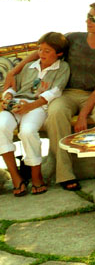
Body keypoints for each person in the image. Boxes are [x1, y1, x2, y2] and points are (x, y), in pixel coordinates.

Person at [4, 2, 95, 191]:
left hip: (94, 95)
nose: (88, 20)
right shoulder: (73, 39)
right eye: (88, 16)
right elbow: (43, 49)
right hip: (65, 92)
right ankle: (64, 174)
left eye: (94, 18)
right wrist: (15, 70)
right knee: (56, 112)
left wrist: (83, 115)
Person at [1, 32, 69, 196]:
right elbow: (14, 88)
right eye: (40, 49)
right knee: (1, 127)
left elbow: (55, 92)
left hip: (38, 106)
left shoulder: (62, 68)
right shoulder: (28, 67)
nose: (41, 54)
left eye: (47, 51)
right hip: (17, 104)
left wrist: (30, 106)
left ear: (58, 53)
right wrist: (7, 96)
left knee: (28, 131)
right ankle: (16, 177)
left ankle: (36, 175)